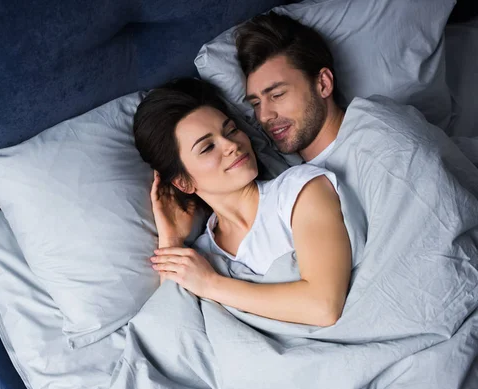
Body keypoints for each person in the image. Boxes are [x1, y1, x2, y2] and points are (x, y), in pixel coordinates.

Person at [133, 78, 353, 327]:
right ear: (183, 183)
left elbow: (323, 307)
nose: (231, 145)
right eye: (207, 147)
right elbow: (176, 340)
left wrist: (211, 284)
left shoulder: (298, 190)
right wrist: (172, 241)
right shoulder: (203, 256)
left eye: (231, 130)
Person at [235, 12, 344, 167]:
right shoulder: (298, 176)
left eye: (277, 95)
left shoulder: (375, 150)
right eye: (256, 104)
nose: (264, 116)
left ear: (324, 84)